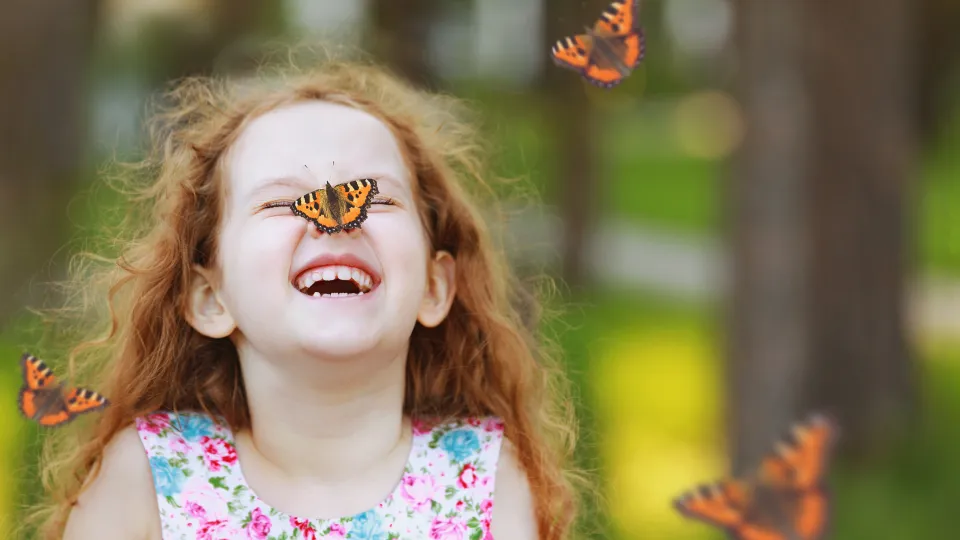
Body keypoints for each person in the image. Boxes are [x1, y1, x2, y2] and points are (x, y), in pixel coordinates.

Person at [26, 50, 584, 540]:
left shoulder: (484, 480)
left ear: (435, 288)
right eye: (279, 203)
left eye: (375, 199)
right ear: (210, 298)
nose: (333, 222)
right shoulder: (147, 479)